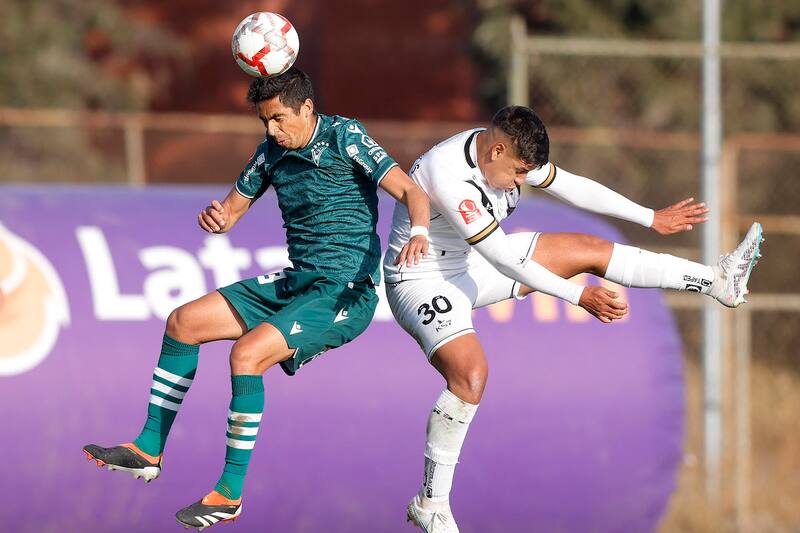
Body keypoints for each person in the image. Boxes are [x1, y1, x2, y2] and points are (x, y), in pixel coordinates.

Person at [383, 105, 763, 533]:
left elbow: (572, 187)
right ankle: (431, 502)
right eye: (519, 172)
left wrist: (650, 217)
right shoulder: (448, 175)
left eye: (528, 173)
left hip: (469, 264)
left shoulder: (503, 150)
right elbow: (506, 260)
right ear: (497, 151)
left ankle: (717, 280)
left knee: (588, 248)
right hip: (420, 280)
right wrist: (577, 295)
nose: (521, 182)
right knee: (471, 375)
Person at [83, 67, 430, 530]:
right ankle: (148, 448)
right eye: (264, 120)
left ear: (307, 108)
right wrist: (217, 217)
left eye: (279, 119)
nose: (272, 129)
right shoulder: (270, 152)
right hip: (297, 282)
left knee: (246, 355)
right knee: (183, 322)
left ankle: (228, 494)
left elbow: (409, 189)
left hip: (344, 291)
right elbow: (230, 210)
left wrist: (420, 232)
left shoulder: (345, 136)